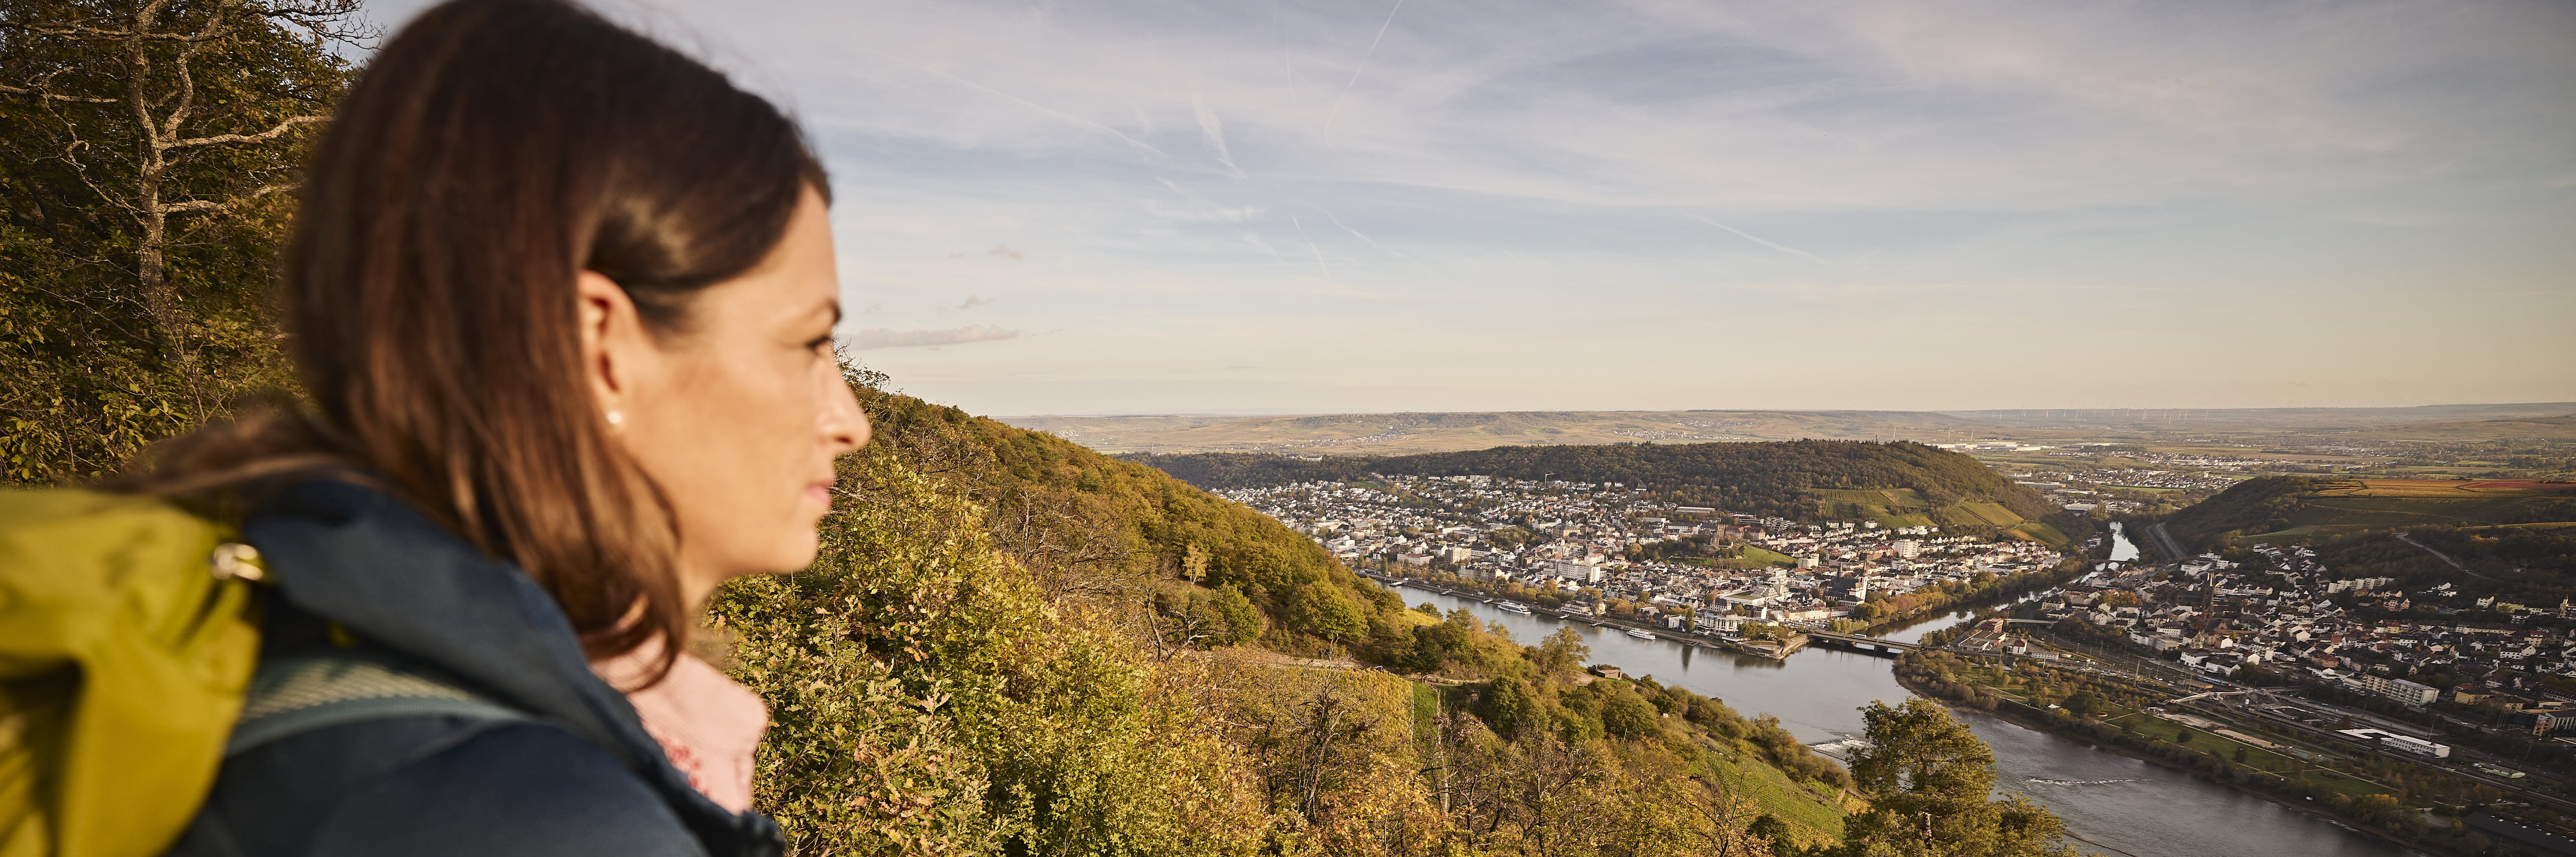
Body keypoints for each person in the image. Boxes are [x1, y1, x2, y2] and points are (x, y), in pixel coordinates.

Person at [123, 0, 869, 853]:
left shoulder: (284, 645)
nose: (850, 424)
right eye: (810, 342)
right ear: (601, 349)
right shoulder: (545, 823)